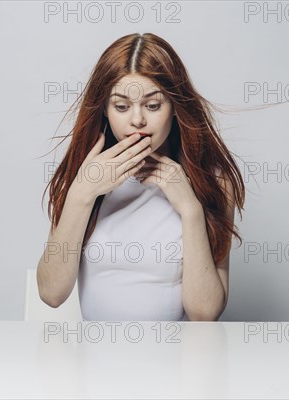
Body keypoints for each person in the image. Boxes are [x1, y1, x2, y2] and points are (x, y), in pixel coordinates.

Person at [37, 33, 245, 321]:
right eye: (121, 107)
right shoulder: (80, 178)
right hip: (96, 362)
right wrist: (82, 194)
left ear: (175, 108)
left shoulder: (213, 181)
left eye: (153, 105)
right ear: (105, 111)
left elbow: (204, 312)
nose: (137, 120)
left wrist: (190, 209)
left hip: (177, 361)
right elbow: (51, 293)